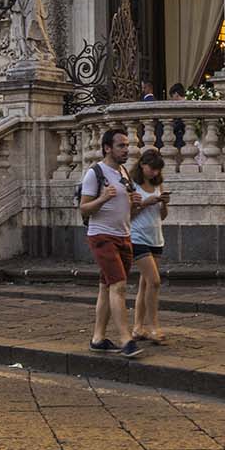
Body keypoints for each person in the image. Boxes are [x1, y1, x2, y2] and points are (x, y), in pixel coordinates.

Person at [78, 128, 142, 357]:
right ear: (107, 148)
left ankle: (98, 338)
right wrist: (103, 197)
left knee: (106, 287)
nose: (127, 150)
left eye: (127, 145)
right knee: (119, 285)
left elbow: (127, 213)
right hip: (102, 236)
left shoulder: (124, 172)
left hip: (124, 235)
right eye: (121, 146)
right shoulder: (95, 173)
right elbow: (83, 208)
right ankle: (126, 339)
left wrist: (136, 204)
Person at [130, 148, 169, 344]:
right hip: (137, 237)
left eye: (157, 170)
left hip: (156, 237)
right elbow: (127, 215)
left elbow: (162, 216)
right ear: (142, 165)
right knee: (154, 281)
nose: (154, 173)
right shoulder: (132, 186)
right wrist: (145, 203)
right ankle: (153, 326)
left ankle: (137, 327)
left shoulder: (158, 184)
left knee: (145, 284)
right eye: (152, 169)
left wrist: (164, 203)